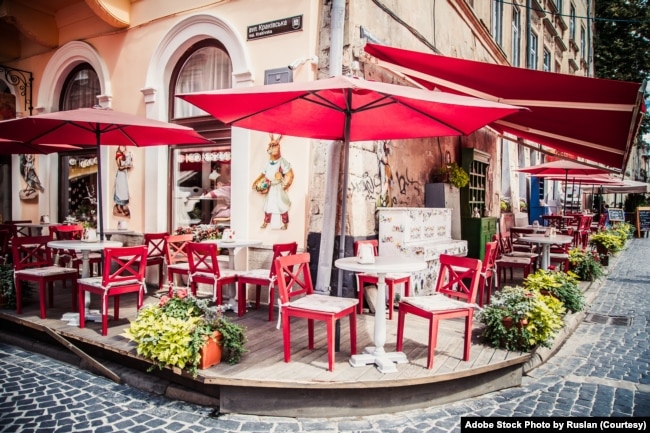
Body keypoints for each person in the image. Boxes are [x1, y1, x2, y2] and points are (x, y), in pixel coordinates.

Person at [113, 145, 132, 217]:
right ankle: (119, 207)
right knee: (120, 190)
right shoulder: (118, 155)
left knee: (123, 190)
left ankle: (121, 206)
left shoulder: (122, 155)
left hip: (123, 174)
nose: (124, 148)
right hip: (121, 174)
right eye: (122, 146)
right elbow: (120, 167)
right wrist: (126, 166)